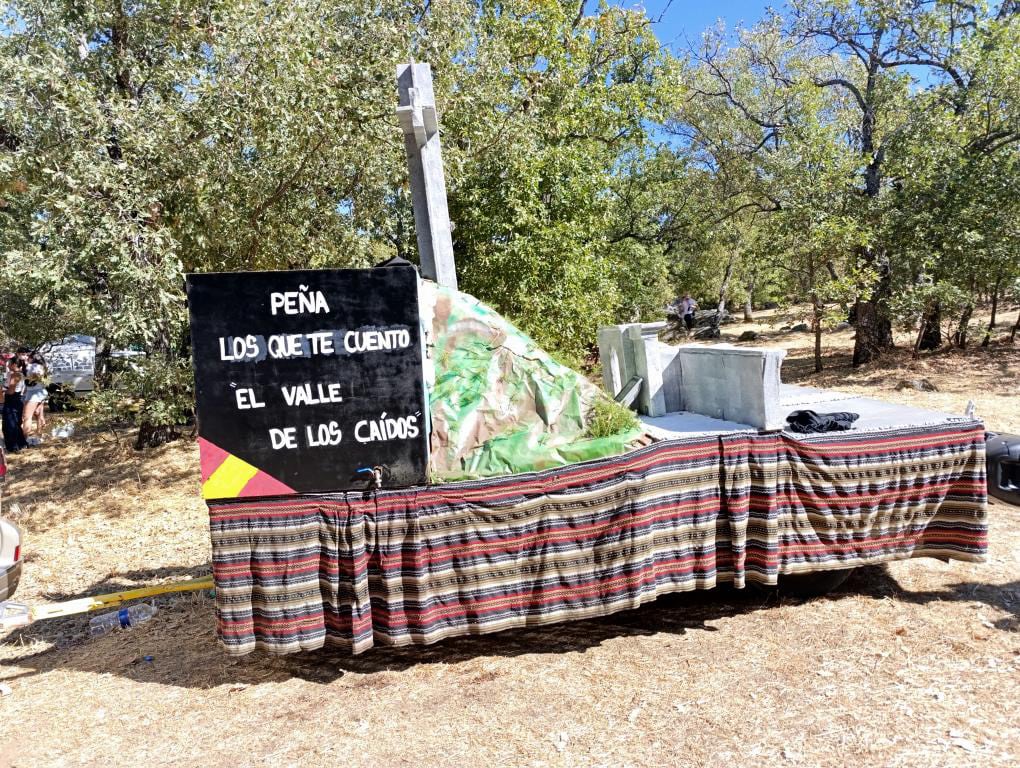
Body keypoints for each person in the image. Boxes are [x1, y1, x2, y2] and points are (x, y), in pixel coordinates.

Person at [3, 358, 29, 452]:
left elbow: (11, 391)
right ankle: (21, 443)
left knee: (10, 424)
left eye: (9, 363)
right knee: (16, 423)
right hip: (17, 400)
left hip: (12, 400)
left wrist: (3, 391)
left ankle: (13, 446)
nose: (8, 365)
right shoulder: (21, 374)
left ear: (14, 364)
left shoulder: (16, 374)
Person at [22, 352, 48, 446]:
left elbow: (35, 376)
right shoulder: (42, 366)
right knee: (39, 415)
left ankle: (24, 441)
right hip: (41, 391)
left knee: (26, 417)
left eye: (28, 356)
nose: (26, 358)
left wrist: (29, 376)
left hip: (34, 393)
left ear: (32, 358)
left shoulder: (32, 366)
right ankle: (39, 436)